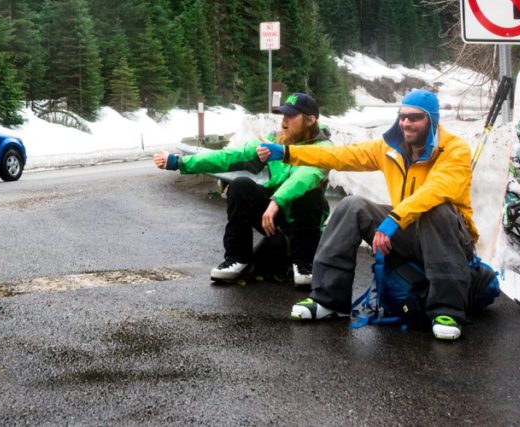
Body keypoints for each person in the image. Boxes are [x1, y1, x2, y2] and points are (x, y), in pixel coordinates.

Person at [258, 89, 477, 341]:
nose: (406, 123)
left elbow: (434, 190)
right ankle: (327, 299)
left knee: (433, 209)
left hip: (451, 238)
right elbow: (339, 156)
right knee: (352, 206)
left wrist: (392, 221)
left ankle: (446, 310)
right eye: (402, 116)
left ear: (432, 119)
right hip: (409, 233)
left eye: (415, 117)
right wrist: (287, 153)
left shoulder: (454, 151)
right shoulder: (390, 147)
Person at [153, 93, 332, 285]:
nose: (284, 121)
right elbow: (229, 156)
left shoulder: (323, 146)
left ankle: (304, 263)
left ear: (310, 120)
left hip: (302, 220)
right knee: (240, 186)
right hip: (275, 217)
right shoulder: (275, 140)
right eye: (283, 115)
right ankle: (238, 259)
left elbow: (303, 177)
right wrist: (180, 162)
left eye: (291, 116)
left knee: (309, 192)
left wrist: (276, 200)